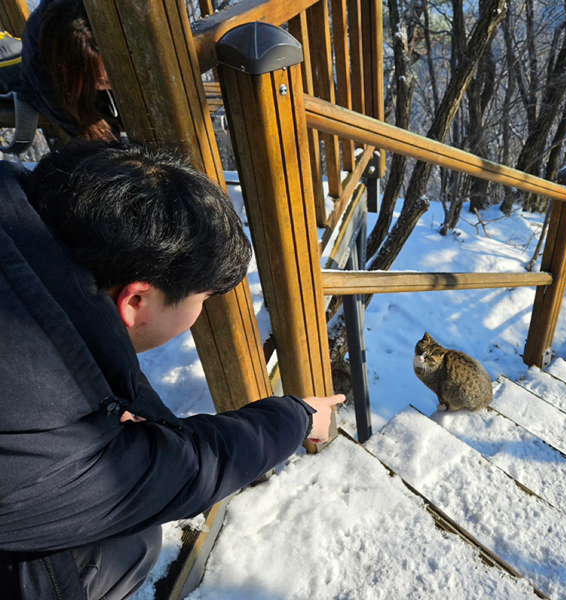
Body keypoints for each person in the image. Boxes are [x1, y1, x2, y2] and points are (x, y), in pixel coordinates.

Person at [0, 139, 343, 600]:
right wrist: (298, 416)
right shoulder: (42, 444)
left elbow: (88, 353)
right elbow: (184, 472)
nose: (201, 311)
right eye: (203, 300)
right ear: (137, 300)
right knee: (133, 540)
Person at [20, 0, 117, 140]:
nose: (103, 85)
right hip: (60, 87)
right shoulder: (43, 68)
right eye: (98, 80)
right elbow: (90, 133)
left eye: (108, 78)